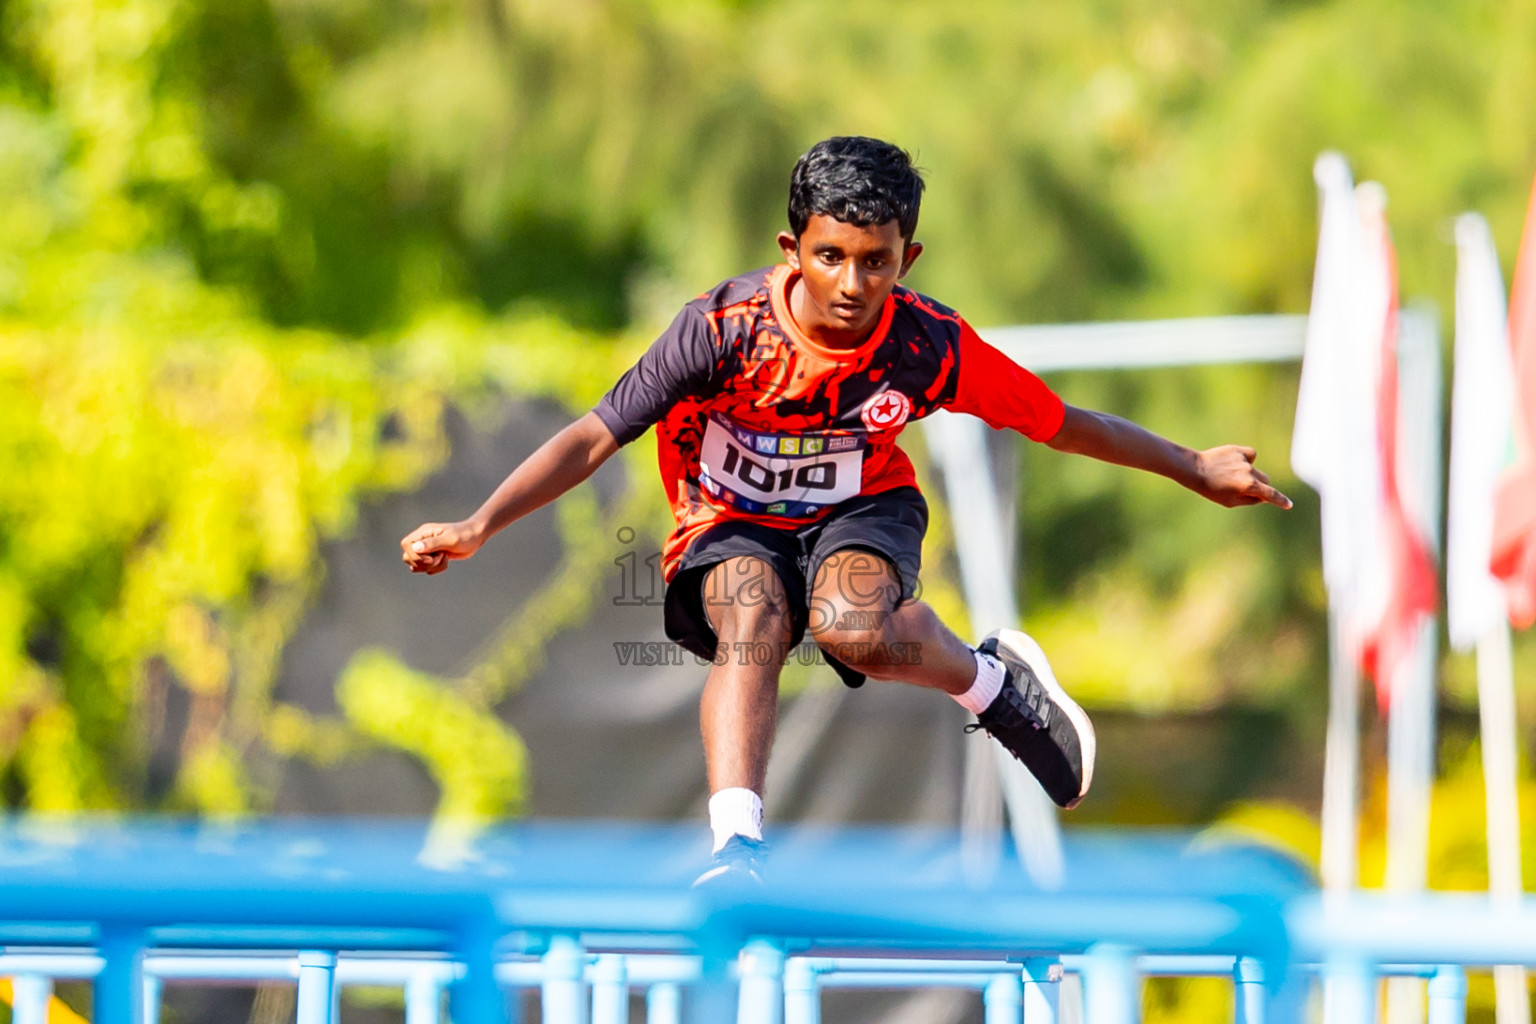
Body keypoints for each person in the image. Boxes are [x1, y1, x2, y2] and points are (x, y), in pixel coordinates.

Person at [400, 136, 1291, 884]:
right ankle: (737, 849)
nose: (853, 284)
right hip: (726, 515)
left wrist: (1190, 465)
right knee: (752, 611)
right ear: (792, 250)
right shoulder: (721, 330)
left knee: (851, 627)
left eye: (878, 261)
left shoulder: (927, 345)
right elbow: (594, 435)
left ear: (909, 260)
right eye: (831, 257)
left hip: (862, 506)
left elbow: (1059, 423)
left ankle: (993, 686)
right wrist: (481, 523)